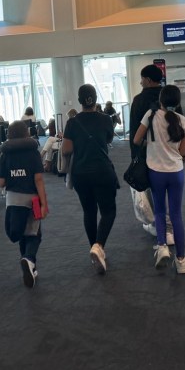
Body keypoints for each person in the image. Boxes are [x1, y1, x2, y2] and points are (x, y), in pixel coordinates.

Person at [134, 85, 185, 274]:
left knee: (159, 211)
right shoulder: (182, 121)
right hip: (176, 172)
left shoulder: (150, 116)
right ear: (178, 102)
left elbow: (136, 140)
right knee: (176, 215)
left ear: (161, 99)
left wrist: (151, 144)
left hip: (155, 172)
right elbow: (182, 151)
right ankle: (181, 260)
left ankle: (162, 247)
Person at [62, 84, 118, 274]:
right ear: (96, 99)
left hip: (80, 173)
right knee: (108, 211)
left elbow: (66, 150)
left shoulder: (72, 122)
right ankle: (99, 246)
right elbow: (108, 140)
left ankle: (94, 248)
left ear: (79, 101)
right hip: (102, 170)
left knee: (89, 211)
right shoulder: (106, 119)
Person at [0, 120, 48, 289]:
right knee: (34, 234)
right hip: (32, 200)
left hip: (13, 200)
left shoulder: (5, 154)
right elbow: (38, 179)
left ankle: (30, 266)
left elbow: (1, 182)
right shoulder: (33, 152)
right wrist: (44, 203)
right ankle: (29, 259)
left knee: (20, 234)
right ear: (26, 133)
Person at [128, 64, 164, 153]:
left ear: (148, 80)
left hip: (146, 149)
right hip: (168, 147)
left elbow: (134, 127)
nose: (140, 82)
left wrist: (135, 153)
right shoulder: (169, 97)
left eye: (142, 79)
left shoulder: (139, 100)